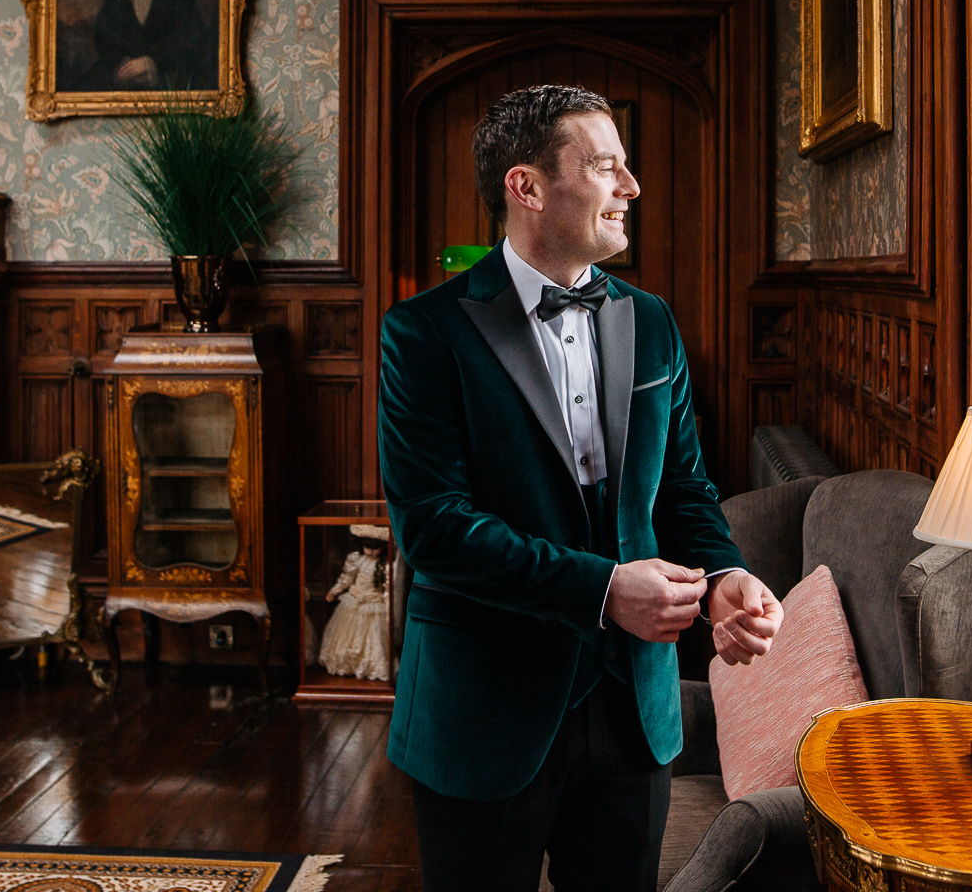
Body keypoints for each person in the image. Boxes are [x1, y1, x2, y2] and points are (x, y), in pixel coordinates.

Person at [379, 84, 785, 892]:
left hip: (636, 712)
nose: (630, 188)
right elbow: (433, 527)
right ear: (525, 186)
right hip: (484, 710)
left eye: (626, 168)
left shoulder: (653, 320)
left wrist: (723, 578)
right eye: (605, 167)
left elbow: (682, 490)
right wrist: (604, 590)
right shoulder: (423, 333)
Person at [319, 525, 392, 682]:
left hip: (373, 603)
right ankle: (347, 665)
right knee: (347, 636)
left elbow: (387, 589)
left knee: (373, 637)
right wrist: (334, 591)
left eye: (375, 548)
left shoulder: (385, 565)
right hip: (354, 601)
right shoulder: (357, 560)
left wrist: (388, 606)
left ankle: (368, 666)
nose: (370, 551)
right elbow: (347, 578)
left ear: (382, 547)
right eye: (367, 547)